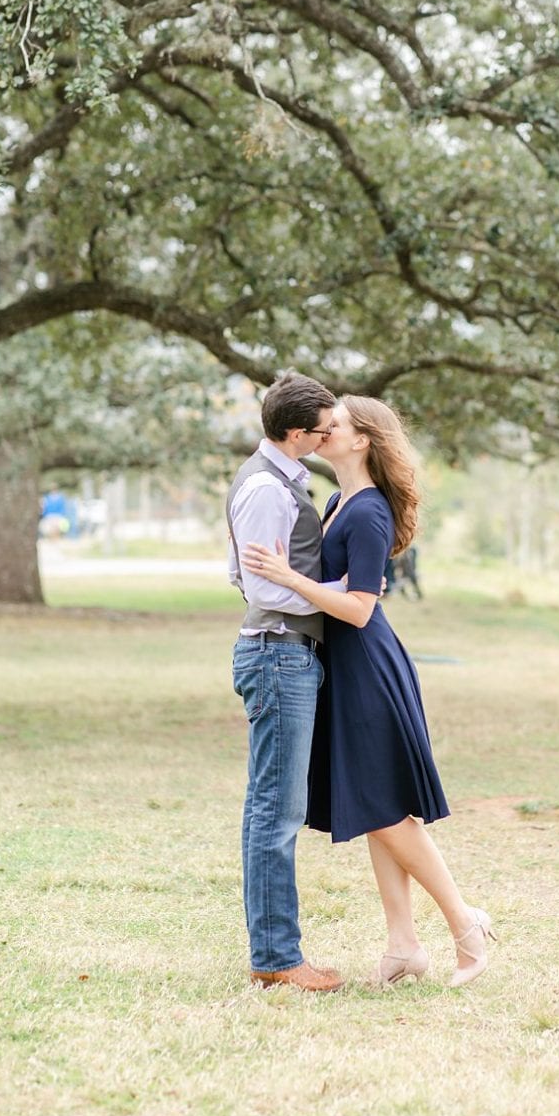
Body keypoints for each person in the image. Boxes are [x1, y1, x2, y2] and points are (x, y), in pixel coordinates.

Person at [243, 395, 494, 988]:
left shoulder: (370, 512)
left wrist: (288, 578)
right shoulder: (338, 502)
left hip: (367, 665)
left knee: (386, 811)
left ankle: (465, 925)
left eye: (337, 426)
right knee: (379, 807)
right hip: (343, 667)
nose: (324, 431)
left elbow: (358, 609)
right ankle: (404, 946)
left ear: (362, 441)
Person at [226, 372, 346, 992]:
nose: (330, 438)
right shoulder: (268, 490)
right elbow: (261, 583)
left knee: (269, 808)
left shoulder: (275, 481)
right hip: (278, 654)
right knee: (277, 812)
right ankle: (277, 959)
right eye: (323, 430)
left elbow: (242, 573)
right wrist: (332, 595)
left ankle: (271, 952)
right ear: (295, 433)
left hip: (281, 651)